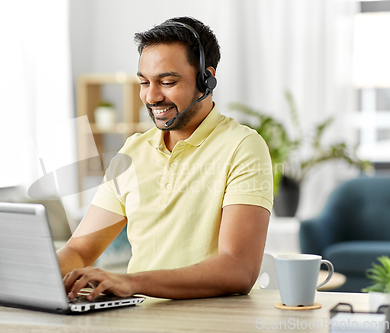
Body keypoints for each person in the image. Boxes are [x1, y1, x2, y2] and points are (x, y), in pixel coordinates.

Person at [58, 16, 273, 301]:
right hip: (140, 317)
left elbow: (239, 269)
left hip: (216, 320)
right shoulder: (132, 151)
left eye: (167, 82)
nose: (151, 96)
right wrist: (30, 277)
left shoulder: (243, 146)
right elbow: (80, 250)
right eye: (144, 82)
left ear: (206, 79)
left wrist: (130, 282)